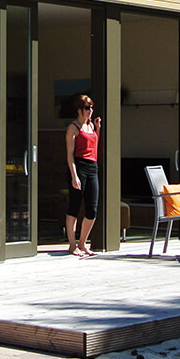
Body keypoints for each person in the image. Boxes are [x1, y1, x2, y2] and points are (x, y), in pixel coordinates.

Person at [64, 94, 101, 256]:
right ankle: (72, 245)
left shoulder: (91, 126)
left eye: (91, 107)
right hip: (79, 167)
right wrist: (74, 175)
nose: (90, 111)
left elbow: (93, 147)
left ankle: (83, 243)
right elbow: (70, 154)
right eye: (87, 108)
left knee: (92, 209)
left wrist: (97, 129)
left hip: (93, 167)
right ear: (79, 110)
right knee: (74, 205)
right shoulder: (73, 127)